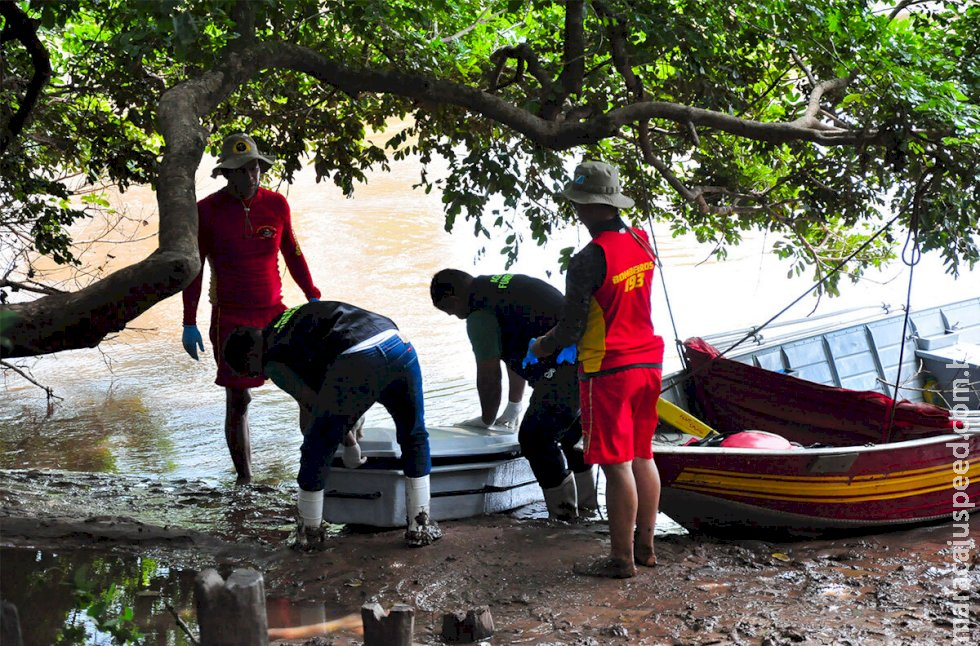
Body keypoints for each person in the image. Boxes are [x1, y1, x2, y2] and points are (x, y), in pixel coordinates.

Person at [529, 160, 665, 579]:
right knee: (643, 454)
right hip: (649, 361)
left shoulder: (589, 258)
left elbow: (571, 329)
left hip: (609, 368)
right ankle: (645, 548)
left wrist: (541, 345)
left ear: (585, 207)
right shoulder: (642, 241)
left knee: (616, 462)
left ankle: (621, 560)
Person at [222, 300, 443, 548]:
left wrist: (349, 445)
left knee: (316, 448)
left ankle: (309, 535)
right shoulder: (287, 324)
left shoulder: (272, 358)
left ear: (252, 355)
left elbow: (313, 405)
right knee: (413, 435)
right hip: (397, 343)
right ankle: (420, 526)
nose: (260, 378)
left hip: (359, 357)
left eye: (253, 373)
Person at [181, 133, 321, 483]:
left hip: (274, 311)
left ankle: (315, 466)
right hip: (230, 316)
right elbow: (195, 270)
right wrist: (189, 320)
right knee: (238, 399)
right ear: (227, 174)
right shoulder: (206, 211)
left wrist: (312, 294)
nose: (251, 176)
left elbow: (293, 251)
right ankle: (245, 478)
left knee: (307, 385)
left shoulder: (276, 204)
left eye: (256, 168)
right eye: (242, 170)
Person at [430, 270, 596, 520]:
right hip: (591, 357)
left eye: (450, 311)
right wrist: (513, 406)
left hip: (566, 360)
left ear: (453, 299)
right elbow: (514, 353)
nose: (456, 316)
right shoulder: (500, 290)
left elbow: (489, 374)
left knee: (535, 438)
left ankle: (564, 519)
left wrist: (487, 419)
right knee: (569, 432)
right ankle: (588, 509)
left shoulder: (478, 314)